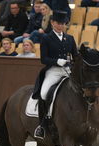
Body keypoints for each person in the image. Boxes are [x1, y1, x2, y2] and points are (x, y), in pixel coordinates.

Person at [33, 10, 78, 139]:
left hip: (67, 71)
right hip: (53, 71)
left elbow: (75, 56)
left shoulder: (70, 38)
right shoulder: (46, 38)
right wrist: (57, 61)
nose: (61, 26)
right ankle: (42, 125)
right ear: (52, 23)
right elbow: (44, 59)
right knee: (43, 93)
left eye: (63, 23)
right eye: (58, 23)